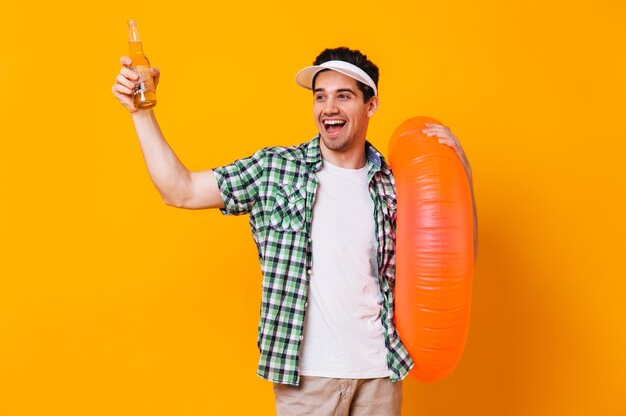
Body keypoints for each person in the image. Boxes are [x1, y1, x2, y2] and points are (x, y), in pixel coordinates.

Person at [112, 47, 476, 416]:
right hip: (306, 379)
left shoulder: (394, 184)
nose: (328, 108)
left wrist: (461, 173)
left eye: (343, 96)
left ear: (371, 105)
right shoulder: (276, 170)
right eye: (321, 97)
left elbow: (457, 260)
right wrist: (141, 113)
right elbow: (180, 190)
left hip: (380, 375)